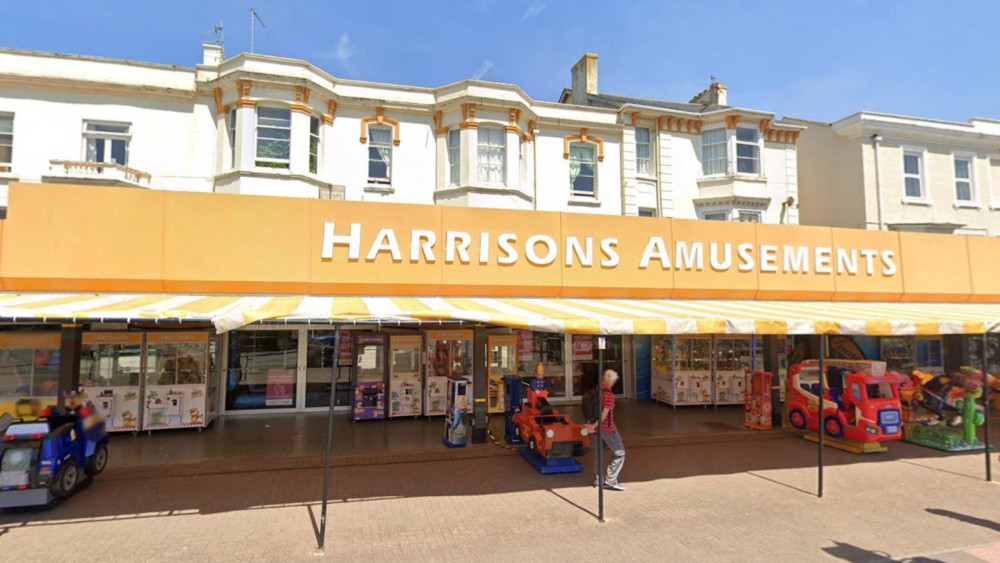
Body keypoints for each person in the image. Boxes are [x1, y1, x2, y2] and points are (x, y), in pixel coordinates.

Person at [587, 369, 625, 491]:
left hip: (596, 430)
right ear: (612, 381)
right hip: (607, 429)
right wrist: (595, 426)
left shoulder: (597, 390)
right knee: (620, 453)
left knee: (599, 454)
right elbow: (604, 414)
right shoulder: (609, 394)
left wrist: (592, 426)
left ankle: (599, 480)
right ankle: (610, 480)